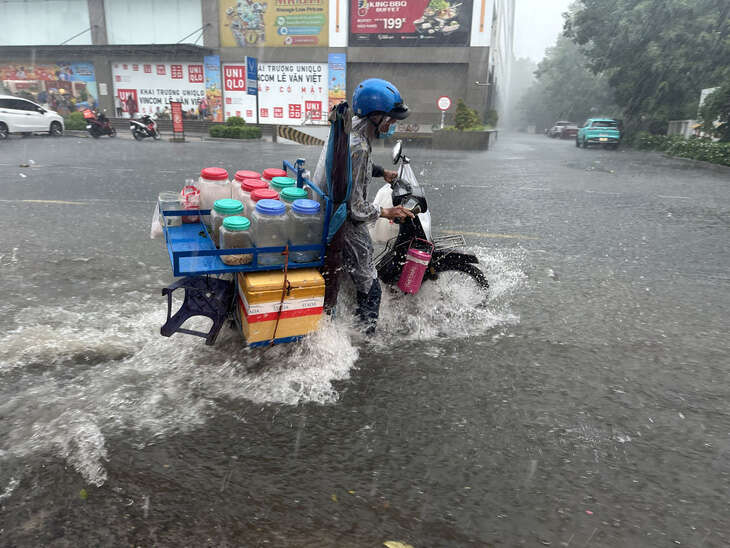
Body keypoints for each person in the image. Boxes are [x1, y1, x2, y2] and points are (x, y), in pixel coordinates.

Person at [343, 78, 414, 334]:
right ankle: (365, 337)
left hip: (337, 214)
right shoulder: (359, 147)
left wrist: (382, 171)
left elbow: (355, 172)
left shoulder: (352, 131)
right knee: (371, 287)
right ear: (375, 116)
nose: (392, 125)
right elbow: (356, 209)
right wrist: (386, 212)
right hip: (346, 224)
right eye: (390, 120)